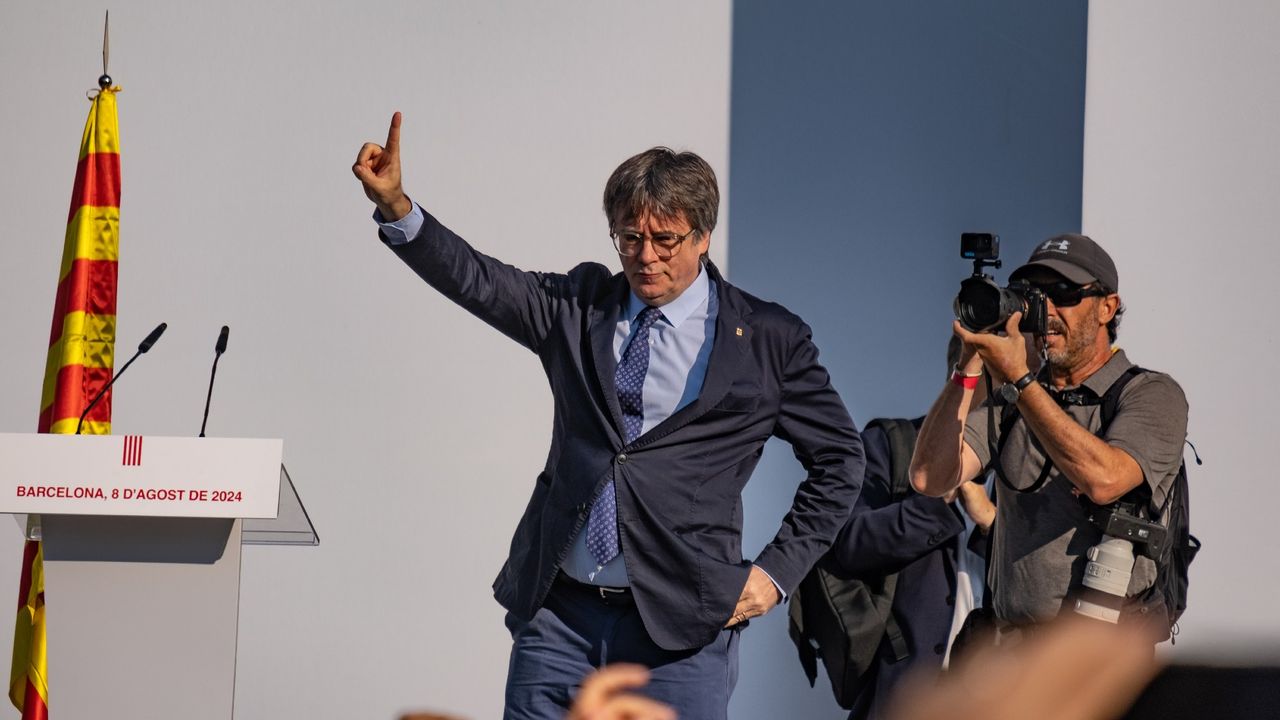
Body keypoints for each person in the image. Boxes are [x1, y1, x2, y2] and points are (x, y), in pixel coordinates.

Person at [352, 113, 863, 720]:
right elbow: (480, 282)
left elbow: (840, 461)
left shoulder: (767, 341)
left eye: (664, 239)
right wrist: (398, 208)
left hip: (679, 635)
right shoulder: (579, 305)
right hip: (559, 621)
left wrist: (774, 576)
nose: (644, 257)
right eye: (628, 239)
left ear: (702, 236)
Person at [910, 234, 1188, 637]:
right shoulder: (1012, 398)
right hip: (1009, 656)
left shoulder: (1150, 393)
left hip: (1099, 657)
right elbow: (929, 477)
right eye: (1035, 294)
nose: (1047, 309)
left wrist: (1022, 381)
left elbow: (1105, 480)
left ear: (1107, 307)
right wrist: (969, 363)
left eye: (1064, 294)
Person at [823, 337, 996, 720]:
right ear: (960, 374)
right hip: (907, 695)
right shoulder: (892, 444)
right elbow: (850, 545)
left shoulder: (1034, 464)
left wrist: (990, 523)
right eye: (993, 373)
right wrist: (936, 495)